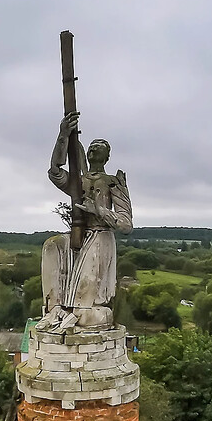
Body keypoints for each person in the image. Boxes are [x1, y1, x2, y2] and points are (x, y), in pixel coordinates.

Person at [37, 110, 132, 332]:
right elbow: (55, 173)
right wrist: (63, 137)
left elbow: (126, 224)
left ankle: (80, 312)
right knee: (52, 246)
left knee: (85, 310)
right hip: (79, 233)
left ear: (107, 156)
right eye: (91, 145)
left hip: (100, 236)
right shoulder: (79, 180)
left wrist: (98, 210)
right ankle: (54, 308)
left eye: (100, 146)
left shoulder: (112, 182)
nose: (94, 148)